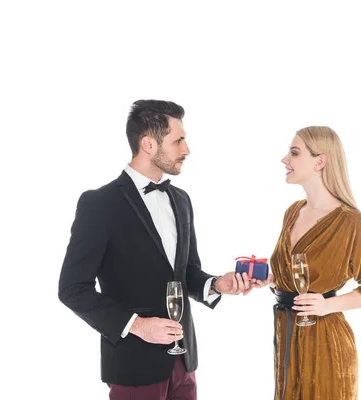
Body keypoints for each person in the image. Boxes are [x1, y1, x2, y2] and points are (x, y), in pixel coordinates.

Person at [58, 99, 253, 400]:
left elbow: (185, 272)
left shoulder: (181, 200)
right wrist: (137, 325)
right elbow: (72, 289)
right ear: (148, 144)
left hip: (184, 363)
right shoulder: (99, 204)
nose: (186, 150)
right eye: (178, 141)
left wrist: (216, 284)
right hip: (133, 366)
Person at [261, 126, 361, 399]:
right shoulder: (293, 212)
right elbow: (294, 271)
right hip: (287, 334)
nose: (285, 160)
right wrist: (271, 278)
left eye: (294, 153)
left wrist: (327, 305)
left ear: (320, 161)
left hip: (325, 341)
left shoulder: (350, 221)